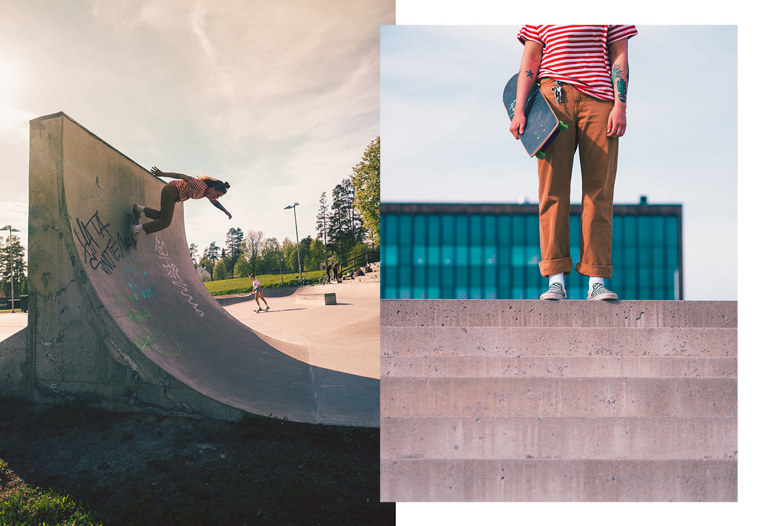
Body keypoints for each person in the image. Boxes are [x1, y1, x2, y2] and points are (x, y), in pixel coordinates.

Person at [509, 25, 637, 301]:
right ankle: (555, 279)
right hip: (553, 101)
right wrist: (519, 109)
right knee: (552, 190)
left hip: (600, 102)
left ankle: (596, 280)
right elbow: (531, 58)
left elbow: (619, 55)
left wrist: (620, 106)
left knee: (599, 192)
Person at [131, 167, 232, 236]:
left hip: (174, 195)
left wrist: (225, 211)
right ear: (213, 188)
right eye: (218, 195)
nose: (217, 198)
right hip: (172, 191)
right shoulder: (200, 186)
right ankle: (136, 228)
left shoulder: (206, 193)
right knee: (165, 222)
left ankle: (139, 209)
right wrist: (161, 174)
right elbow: (181, 176)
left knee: (163, 216)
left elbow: (215, 202)